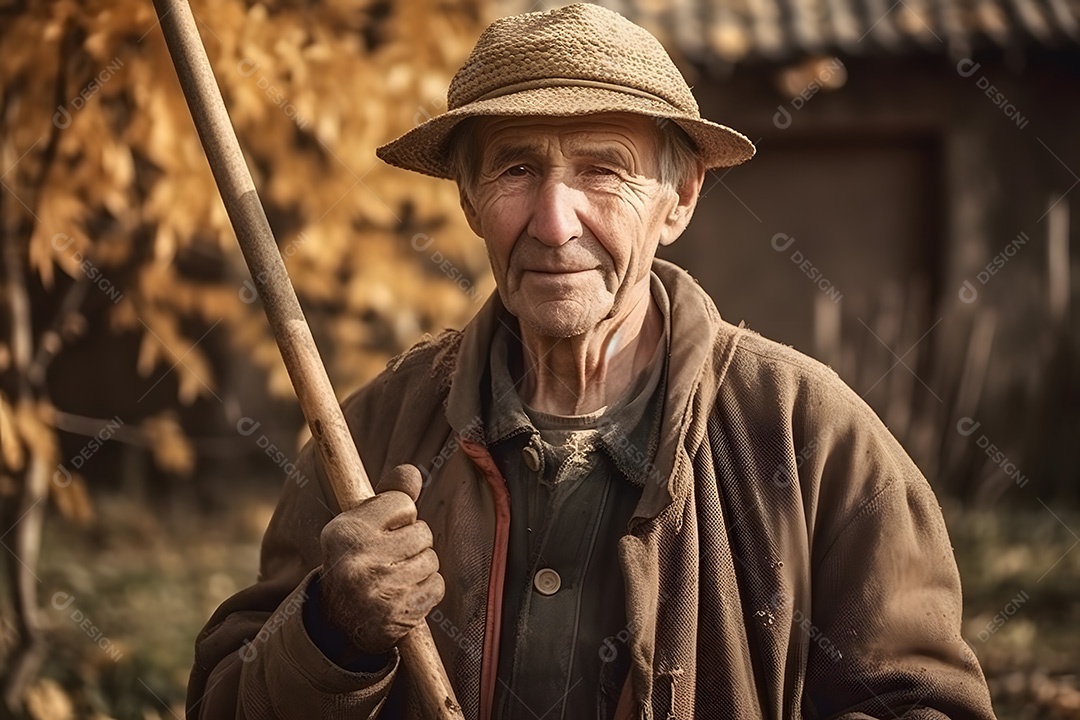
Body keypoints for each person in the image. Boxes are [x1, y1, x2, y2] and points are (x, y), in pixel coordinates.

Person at [187, 4, 997, 718]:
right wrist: (334, 632)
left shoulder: (812, 437)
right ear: (469, 201)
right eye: (515, 169)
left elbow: (923, 707)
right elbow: (226, 702)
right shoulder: (368, 436)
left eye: (603, 170)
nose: (552, 221)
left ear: (678, 200)